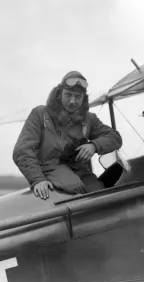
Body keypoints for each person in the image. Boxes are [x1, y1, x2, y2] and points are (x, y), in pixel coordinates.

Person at [13, 71, 122, 200]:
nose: (72, 101)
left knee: (99, 194)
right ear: (59, 94)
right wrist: (37, 179)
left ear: (83, 98)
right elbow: (22, 150)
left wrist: (94, 145)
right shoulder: (40, 114)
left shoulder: (89, 119)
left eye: (77, 96)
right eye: (68, 95)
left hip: (81, 171)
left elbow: (114, 137)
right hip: (50, 170)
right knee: (75, 189)